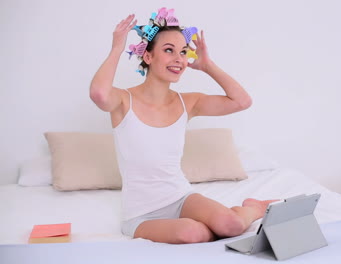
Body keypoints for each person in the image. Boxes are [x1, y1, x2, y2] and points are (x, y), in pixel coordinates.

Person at [89, 10, 277, 244]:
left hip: (180, 198)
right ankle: (212, 222)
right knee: (191, 233)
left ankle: (254, 208)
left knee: (232, 224)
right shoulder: (122, 100)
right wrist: (117, 47)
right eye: (169, 50)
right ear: (148, 57)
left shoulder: (188, 102)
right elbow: (98, 93)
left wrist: (208, 66)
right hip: (140, 213)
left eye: (182, 52)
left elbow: (242, 101)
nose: (179, 58)